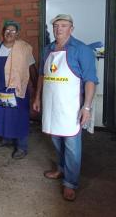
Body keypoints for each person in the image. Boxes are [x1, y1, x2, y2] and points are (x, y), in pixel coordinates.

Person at [33, 14, 97, 201]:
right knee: (56, 140)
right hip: (52, 106)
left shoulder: (81, 50)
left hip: (71, 107)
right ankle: (61, 169)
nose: (58, 29)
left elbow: (90, 81)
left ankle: (70, 183)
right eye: (55, 26)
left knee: (71, 146)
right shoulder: (48, 49)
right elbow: (42, 76)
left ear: (71, 28)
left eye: (63, 25)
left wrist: (86, 108)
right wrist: (37, 97)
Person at [0, 20, 37, 159]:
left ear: (17, 34)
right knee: (4, 115)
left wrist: (35, 86)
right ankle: (6, 140)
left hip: (18, 89)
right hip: (3, 89)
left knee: (20, 117)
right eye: (7, 30)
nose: (9, 33)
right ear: (2, 32)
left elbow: (32, 68)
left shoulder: (23, 49)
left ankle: (21, 147)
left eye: (13, 31)